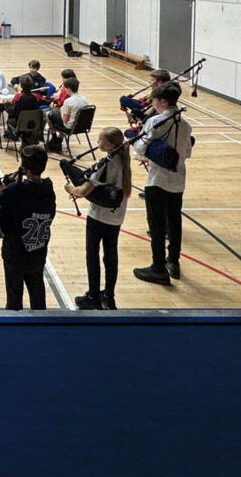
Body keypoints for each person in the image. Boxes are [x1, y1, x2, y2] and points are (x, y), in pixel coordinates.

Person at [132, 81, 192, 285]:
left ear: (164, 102)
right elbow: (187, 153)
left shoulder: (155, 121)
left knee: (156, 225)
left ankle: (158, 267)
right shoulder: (185, 125)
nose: (153, 104)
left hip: (157, 180)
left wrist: (149, 152)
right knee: (174, 222)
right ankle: (173, 261)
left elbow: (140, 147)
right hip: (178, 180)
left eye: (155, 101)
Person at [64, 127, 132, 310]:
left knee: (92, 255)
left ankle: (93, 295)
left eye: (100, 140)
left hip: (99, 216)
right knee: (111, 255)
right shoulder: (123, 160)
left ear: (108, 145)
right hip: (116, 217)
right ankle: (109, 295)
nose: (97, 143)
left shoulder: (107, 164)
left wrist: (70, 189)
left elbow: (84, 190)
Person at [0, 146, 55, 310]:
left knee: (14, 298)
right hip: (38, 249)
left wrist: (4, 192)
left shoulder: (16, 190)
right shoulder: (48, 188)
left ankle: (14, 329)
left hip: (16, 251)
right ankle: (41, 329)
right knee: (37, 292)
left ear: (24, 167)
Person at [45, 76, 89, 152]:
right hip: (82, 126)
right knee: (56, 113)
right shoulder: (84, 99)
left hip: (69, 127)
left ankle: (55, 138)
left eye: (65, 88)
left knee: (48, 114)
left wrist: (61, 110)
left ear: (68, 89)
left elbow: (64, 120)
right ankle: (58, 140)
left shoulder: (68, 101)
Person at [5, 75, 39, 141]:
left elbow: (13, 113)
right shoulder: (35, 97)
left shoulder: (18, 97)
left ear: (21, 86)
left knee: (10, 120)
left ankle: (13, 135)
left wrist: (6, 106)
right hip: (33, 123)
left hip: (20, 124)